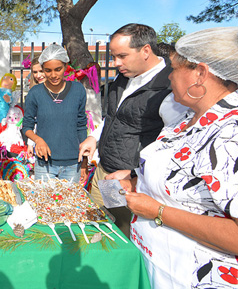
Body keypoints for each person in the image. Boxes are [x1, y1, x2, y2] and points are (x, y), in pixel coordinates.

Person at [115, 27, 238, 289]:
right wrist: (135, 179)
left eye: (173, 69)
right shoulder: (190, 117)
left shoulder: (235, 134)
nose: (170, 77)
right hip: (160, 263)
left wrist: (158, 211)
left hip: (198, 275)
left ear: (200, 74)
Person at [78, 23, 187, 237]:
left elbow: (175, 145)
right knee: (98, 228)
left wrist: (134, 175)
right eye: (113, 56)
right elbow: (115, 117)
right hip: (105, 172)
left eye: (122, 56)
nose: (116, 63)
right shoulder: (123, 76)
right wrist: (94, 137)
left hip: (128, 183)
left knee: (121, 235)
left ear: (145, 50)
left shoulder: (169, 87)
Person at [22, 44, 88, 183]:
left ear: (65, 66)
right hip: (44, 164)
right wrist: (38, 140)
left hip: (72, 164)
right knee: (44, 203)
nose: (53, 75)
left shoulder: (78, 90)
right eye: (48, 70)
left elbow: (81, 125)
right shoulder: (35, 93)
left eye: (58, 69)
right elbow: (26, 127)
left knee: (69, 204)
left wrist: (84, 162)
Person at [26, 57, 46, 156]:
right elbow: (32, 120)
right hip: (39, 140)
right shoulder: (33, 93)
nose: (38, 75)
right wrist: (30, 143)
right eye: (35, 72)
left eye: (41, 71)